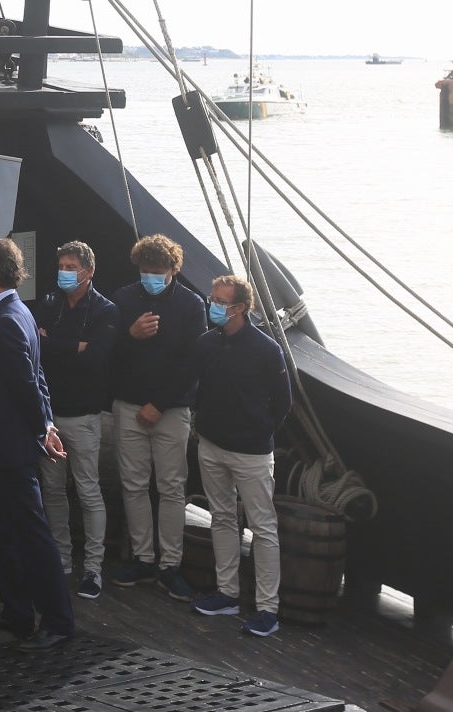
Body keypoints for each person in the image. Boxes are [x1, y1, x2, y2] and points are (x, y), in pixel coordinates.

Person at [0, 239, 74, 650]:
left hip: (9, 448)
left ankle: (58, 622)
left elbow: (26, 383)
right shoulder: (18, 312)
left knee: (31, 534)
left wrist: (39, 430)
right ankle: (17, 610)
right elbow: (37, 373)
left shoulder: (8, 319)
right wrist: (46, 422)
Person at [192, 273, 293, 638]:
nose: (212, 306)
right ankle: (227, 593)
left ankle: (268, 608)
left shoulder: (267, 350)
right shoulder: (205, 344)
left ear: (239, 308)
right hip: (212, 444)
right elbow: (199, 385)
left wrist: (259, 432)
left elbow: (283, 402)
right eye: (212, 298)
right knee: (221, 518)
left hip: (251, 453)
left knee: (263, 528)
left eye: (220, 302)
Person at [107, 234, 203, 602]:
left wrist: (159, 404)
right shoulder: (124, 299)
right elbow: (109, 353)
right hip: (128, 405)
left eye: (157, 272)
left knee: (171, 487)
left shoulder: (192, 306)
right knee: (133, 485)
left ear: (174, 270)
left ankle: (171, 565)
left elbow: (192, 364)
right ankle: (144, 558)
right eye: (145, 271)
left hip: (172, 410)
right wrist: (131, 336)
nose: (150, 277)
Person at [33, 240, 118, 599]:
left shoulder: (105, 310)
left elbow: (96, 357)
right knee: (52, 490)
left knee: (87, 490)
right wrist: (73, 346)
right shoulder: (49, 303)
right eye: (62, 265)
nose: (64, 272)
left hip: (83, 416)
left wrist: (57, 345)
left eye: (72, 266)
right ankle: (62, 558)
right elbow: (38, 349)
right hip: (49, 417)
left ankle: (93, 569)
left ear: (89, 271)